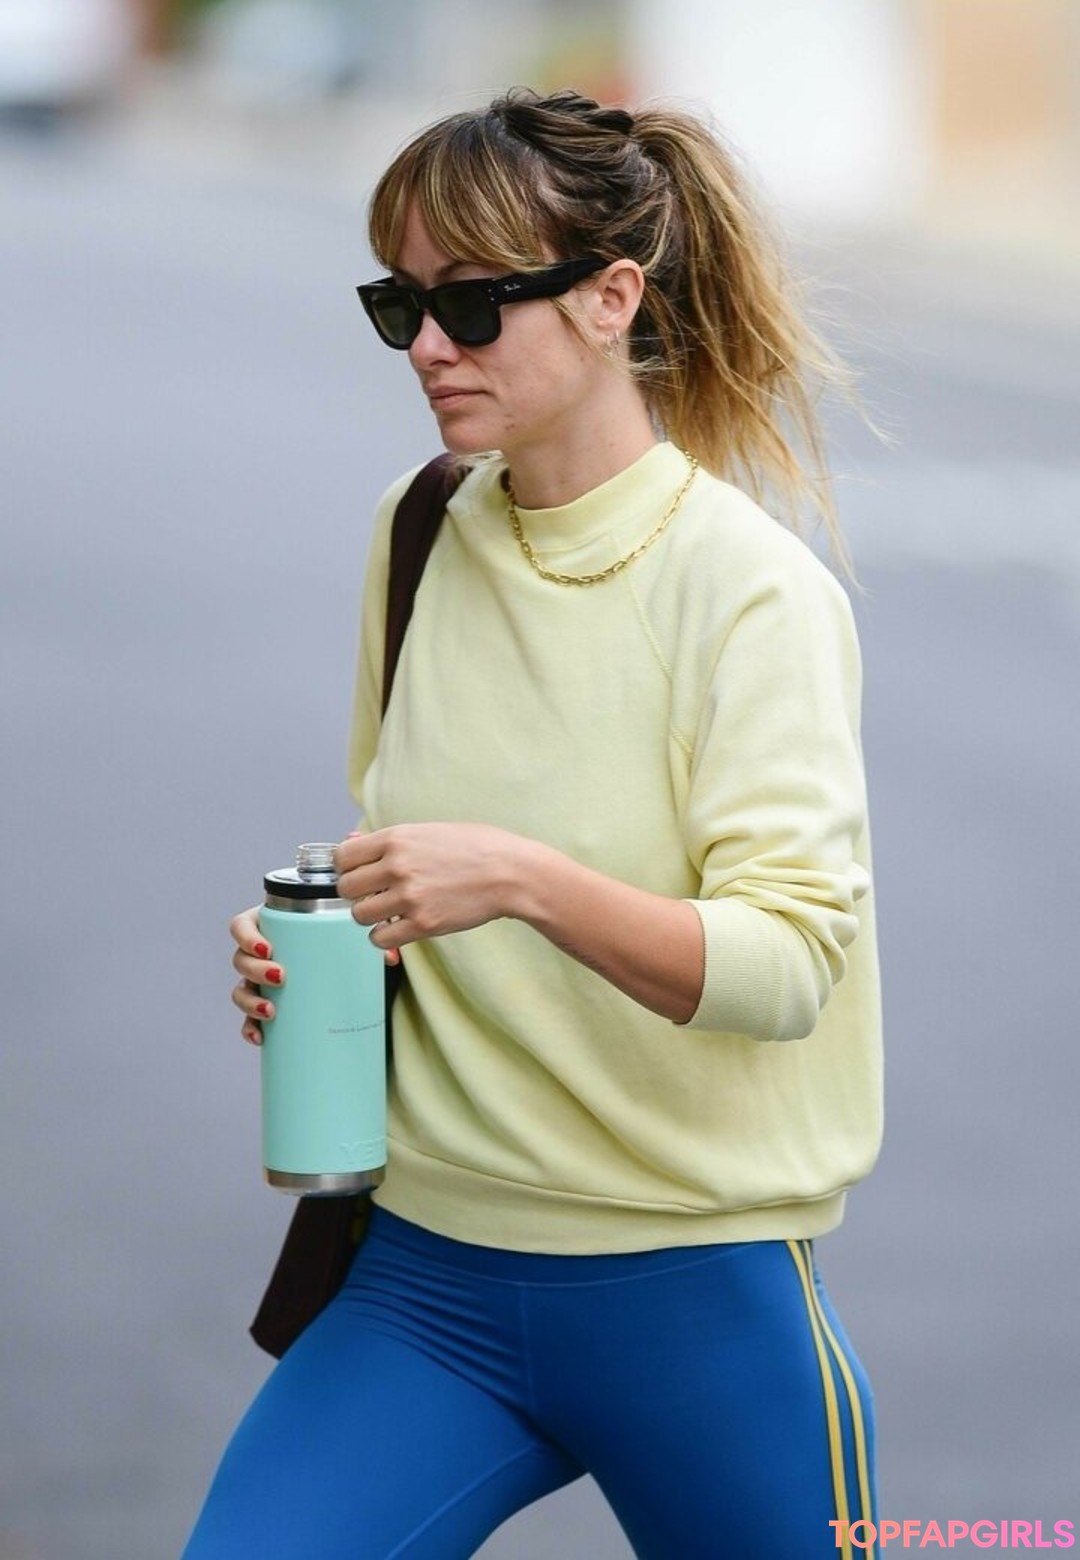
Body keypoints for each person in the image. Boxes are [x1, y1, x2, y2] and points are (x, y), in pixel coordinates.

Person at [183, 87, 883, 1560]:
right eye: (402, 305)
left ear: (611, 298)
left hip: (689, 1291)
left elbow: (787, 964)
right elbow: (394, 834)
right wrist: (325, 940)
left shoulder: (753, 593)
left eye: (474, 304)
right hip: (421, 1281)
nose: (430, 348)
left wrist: (515, 879)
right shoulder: (420, 527)